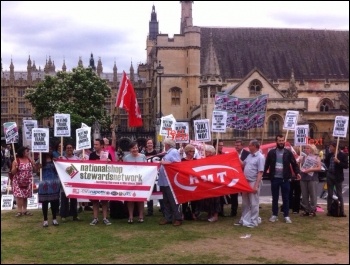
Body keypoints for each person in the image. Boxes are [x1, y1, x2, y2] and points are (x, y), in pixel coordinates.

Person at [263, 135, 301, 224]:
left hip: (285, 179)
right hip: (275, 178)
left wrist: (297, 173)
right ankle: (274, 214)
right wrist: (263, 174)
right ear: (276, 141)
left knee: (286, 198)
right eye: (279, 140)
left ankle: (286, 215)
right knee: (275, 198)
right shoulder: (271, 152)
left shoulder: (288, 152)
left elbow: (294, 164)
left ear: (284, 141)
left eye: (282, 140)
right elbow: (266, 165)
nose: (281, 142)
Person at [235, 139, 265, 228]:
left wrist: (256, 186)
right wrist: (236, 155)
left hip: (253, 182)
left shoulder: (260, 157)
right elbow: (243, 164)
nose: (248, 147)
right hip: (246, 182)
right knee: (245, 202)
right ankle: (244, 219)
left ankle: (254, 220)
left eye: (250, 145)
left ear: (255, 146)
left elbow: (260, 172)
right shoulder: (249, 156)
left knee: (254, 202)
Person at [158, 138, 182, 226]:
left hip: (170, 180)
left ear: (167, 145)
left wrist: (164, 162)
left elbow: (177, 163)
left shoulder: (174, 152)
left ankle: (178, 218)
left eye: (165, 144)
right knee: (166, 200)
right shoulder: (167, 153)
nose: (164, 145)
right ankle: (168, 217)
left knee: (172, 200)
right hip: (164, 180)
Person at [89, 139, 112, 225]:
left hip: (104, 180)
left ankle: (105, 218)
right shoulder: (91, 155)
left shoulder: (107, 154)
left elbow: (113, 167)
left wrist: (110, 162)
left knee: (104, 200)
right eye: (94, 144)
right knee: (95, 200)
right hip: (94, 180)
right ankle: (95, 218)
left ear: (102, 145)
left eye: (96, 144)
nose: (94, 146)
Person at [123, 141, 147, 223]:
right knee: (130, 199)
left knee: (140, 199)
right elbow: (124, 169)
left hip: (141, 180)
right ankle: (131, 216)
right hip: (130, 181)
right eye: (133, 148)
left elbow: (147, 168)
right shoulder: (126, 158)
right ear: (130, 149)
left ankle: (141, 216)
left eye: (136, 147)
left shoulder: (143, 156)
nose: (135, 149)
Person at [196, 145, 222, 222]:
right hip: (208, 182)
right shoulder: (205, 159)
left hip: (215, 182)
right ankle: (210, 214)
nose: (205, 152)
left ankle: (215, 215)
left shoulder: (215, 159)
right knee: (209, 199)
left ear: (210, 152)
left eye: (206, 151)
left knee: (215, 199)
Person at [11, 146, 38, 217]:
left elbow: (35, 170)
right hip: (18, 181)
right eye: (27, 151)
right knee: (19, 196)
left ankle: (25, 210)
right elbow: (13, 172)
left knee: (25, 196)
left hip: (27, 181)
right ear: (22, 152)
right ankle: (19, 211)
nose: (28, 152)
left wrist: (34, 165)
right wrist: (16, 167)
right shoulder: (16, 161)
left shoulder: (30, 160)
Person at [324, 142, 348, 217]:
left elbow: (346, 166)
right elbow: (326, 161)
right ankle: (329, 210)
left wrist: (338, 161)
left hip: (338, 176)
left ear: (335, 147)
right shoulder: (330, 154)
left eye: (331, 147)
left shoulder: (342, 155)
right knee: (330, 194)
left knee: (339, 194)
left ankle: (342, 211)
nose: (330, 148)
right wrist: (328, 169)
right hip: (330, 175)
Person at [38, 151, 61, 227]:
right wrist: (38, 167)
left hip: (54, 183)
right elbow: (36, 171)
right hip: (44, 183)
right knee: (45, 202)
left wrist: (57, 162)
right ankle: (45, 219)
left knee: (54, 202)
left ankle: (54, 218)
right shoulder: (40, 159)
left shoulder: (54, 159)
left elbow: (58, 170)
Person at [60, 143, 81, 221]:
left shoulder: (77, 158)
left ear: (73, 149)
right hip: (65, 181)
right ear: (65, 149)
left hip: (74, 181)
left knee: (74, 199)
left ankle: (74, 215)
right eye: (67, 148)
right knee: (64, 198)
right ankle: (63, 215)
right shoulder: (62, 158)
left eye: (70, 147)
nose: (69, 149)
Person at [299, 144, 321, 217]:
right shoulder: (303, 157)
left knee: (313, 195)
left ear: (312, 149)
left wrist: (310, 170)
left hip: (312, 178)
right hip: (303, 178)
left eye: (307, 148)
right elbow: (299, 166)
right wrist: (298, 161)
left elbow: (319, 168)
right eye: (305, 148)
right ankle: (306, 210)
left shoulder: (317, 158)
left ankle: (312, 210)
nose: (306, 149)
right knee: (304, 195)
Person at [231, 139, 250, 217]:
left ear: (242, 146)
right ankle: (233, 211)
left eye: (238, 145)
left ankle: (246, 211)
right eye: (235, 145)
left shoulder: (247, 154)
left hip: (243, 177)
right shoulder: (232, 154)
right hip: (234, 177)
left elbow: (246, 165)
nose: (236, 147)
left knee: (244, 196)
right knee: (233, 195)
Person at [181, 144, 198, 220]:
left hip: (193, 181)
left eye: (194, 151)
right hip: (185, 181)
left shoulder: (195, 160)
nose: (194, 152)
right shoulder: (182, 160)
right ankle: (183, 213)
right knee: (184, 199)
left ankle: (193, 213)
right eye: (192, 151)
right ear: (188, 152)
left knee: (194, 199)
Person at [144, 138, 158, 216]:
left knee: (159, 192)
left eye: (151, 143)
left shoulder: (156, 153)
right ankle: (150, 211)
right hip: (148, 175)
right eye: (148, 143)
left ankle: (162, 209)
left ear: (153, 144)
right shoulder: (144, 153)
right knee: (149, 193)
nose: (150, 144)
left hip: (156, 175)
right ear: (146, 144)